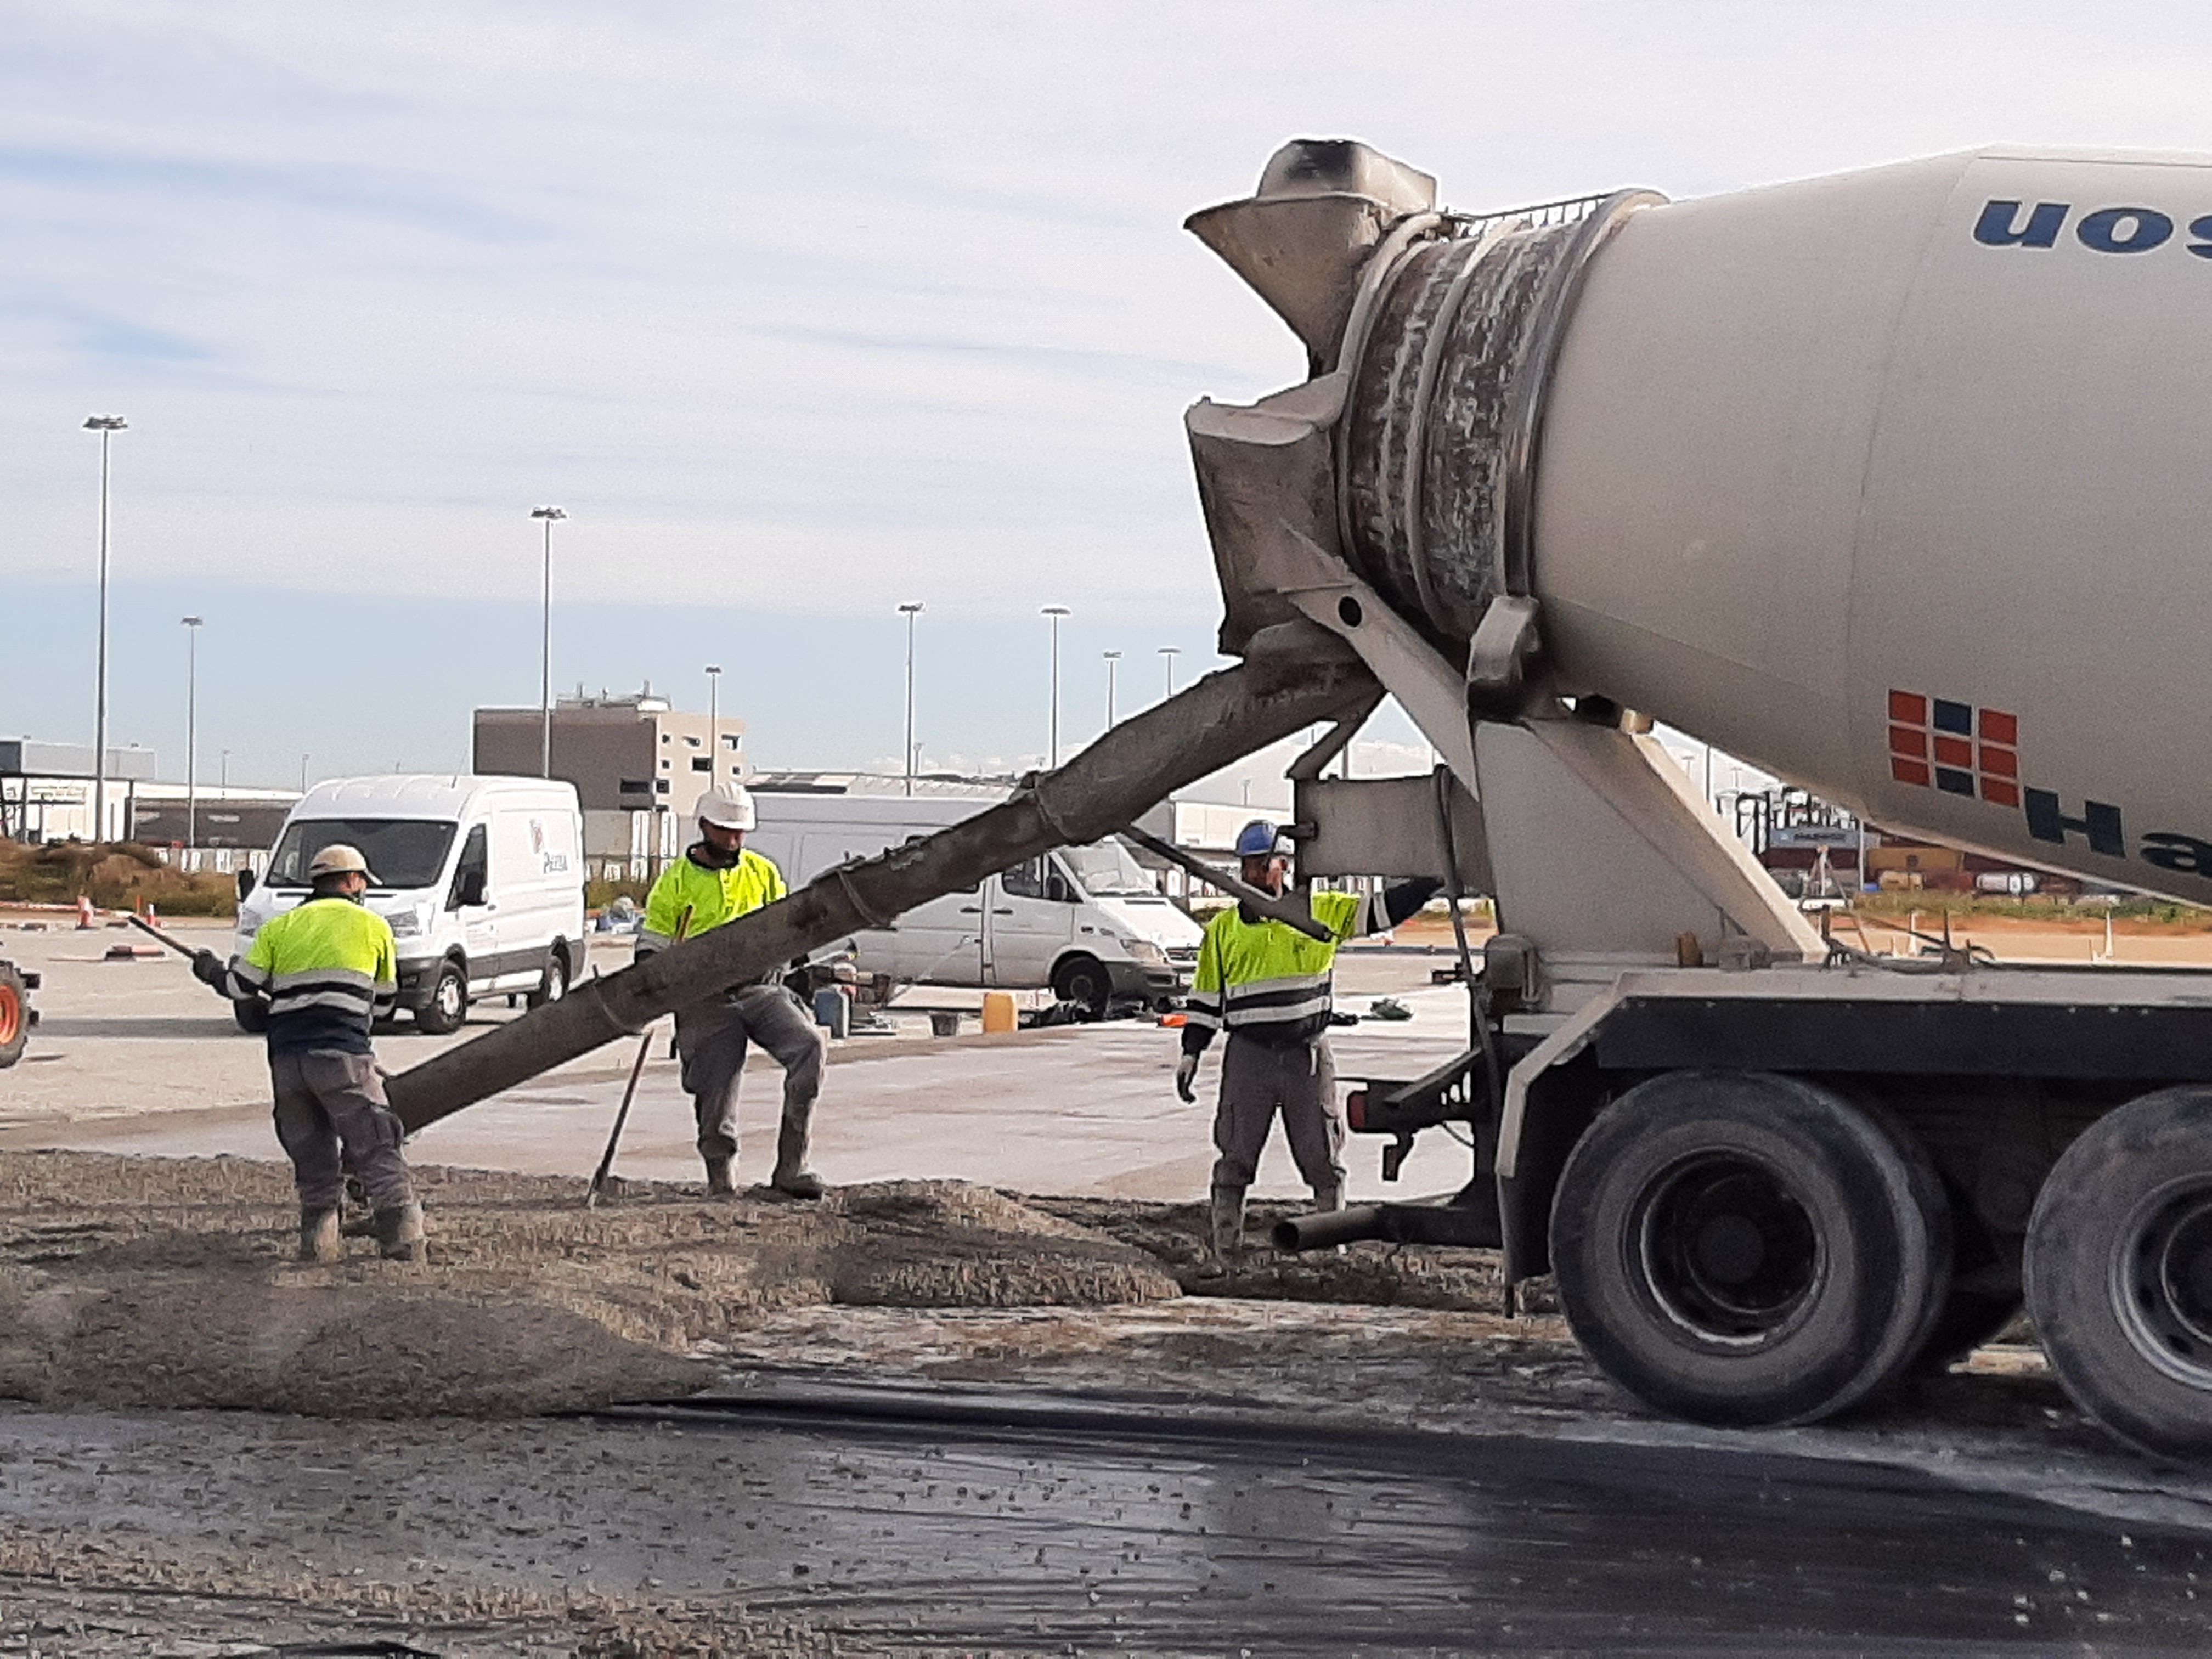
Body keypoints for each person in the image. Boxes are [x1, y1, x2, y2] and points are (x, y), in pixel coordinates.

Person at [1175, 820, 1441, 1268]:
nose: (1254, 875)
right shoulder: (1223, 931)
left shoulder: (1322, 912)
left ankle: (1331, 1249)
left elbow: (1380, 910)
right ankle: (1227, 1251)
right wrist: (1190, 1054)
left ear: (1285, 866)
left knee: (1321, 1154)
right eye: (1248, 866)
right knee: (1236, 1153)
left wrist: (1432, 883)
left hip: (1307, 1056)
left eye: (1264, 865)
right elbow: (1204, 1000)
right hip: (1249, 1057)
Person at [192, 843, 422, 1263]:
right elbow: (386, 1005)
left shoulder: (281, 928)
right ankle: (403, 1239)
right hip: (343, 1057)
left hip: (288, 1062)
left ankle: (318, 1245)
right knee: (376, 1143)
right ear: (352, 881)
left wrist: (208, 968)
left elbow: (239, 988)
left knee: (312, 1155)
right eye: (364, 881)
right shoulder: (374, 927)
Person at [639, 786, 826, 1199]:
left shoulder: (761, 872)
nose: (734, 841)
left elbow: (788, 925)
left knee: (808, 1047)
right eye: (725, 832)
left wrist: (799, 968)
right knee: (715, 1092)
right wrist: (649, 977)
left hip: (762, 989)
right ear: (704, 826)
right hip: (705, 1000)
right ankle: (721, 1180)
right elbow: (652, 941)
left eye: (740, 833)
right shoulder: (677, 882)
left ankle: (793, 1167)